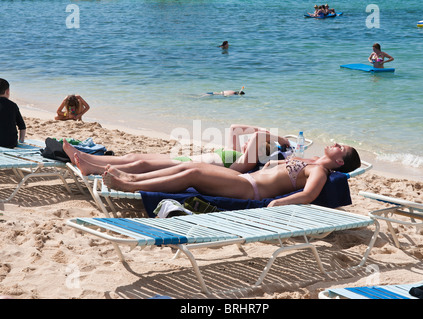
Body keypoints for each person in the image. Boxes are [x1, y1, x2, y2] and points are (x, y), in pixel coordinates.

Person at [101, 143, 361, 207]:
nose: (336, 143)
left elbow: (308, 194)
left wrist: (277, 203)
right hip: (246, 180)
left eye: (341, 147)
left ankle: (128, 186)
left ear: (339, 161)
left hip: (249, 190)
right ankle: (134, 180)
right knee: (186, 169)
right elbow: (284, 163)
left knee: (191, 172)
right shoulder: (311, 159)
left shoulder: (320, 171)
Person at [63, 124, 291, 175]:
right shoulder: (237, 152)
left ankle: (90, 167)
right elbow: (234, 128)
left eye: (249, 144)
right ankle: (85, 156)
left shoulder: (244, 164)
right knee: (133, 156)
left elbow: (260, 135)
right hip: (185, 157)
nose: (245, 142)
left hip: (190, 165)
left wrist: (282, 140)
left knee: (140, 165)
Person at [0, 78, 26, 148]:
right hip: (10, 143)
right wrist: (21, 141)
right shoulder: (13, 105)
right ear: (7, 91)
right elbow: (22, 126)